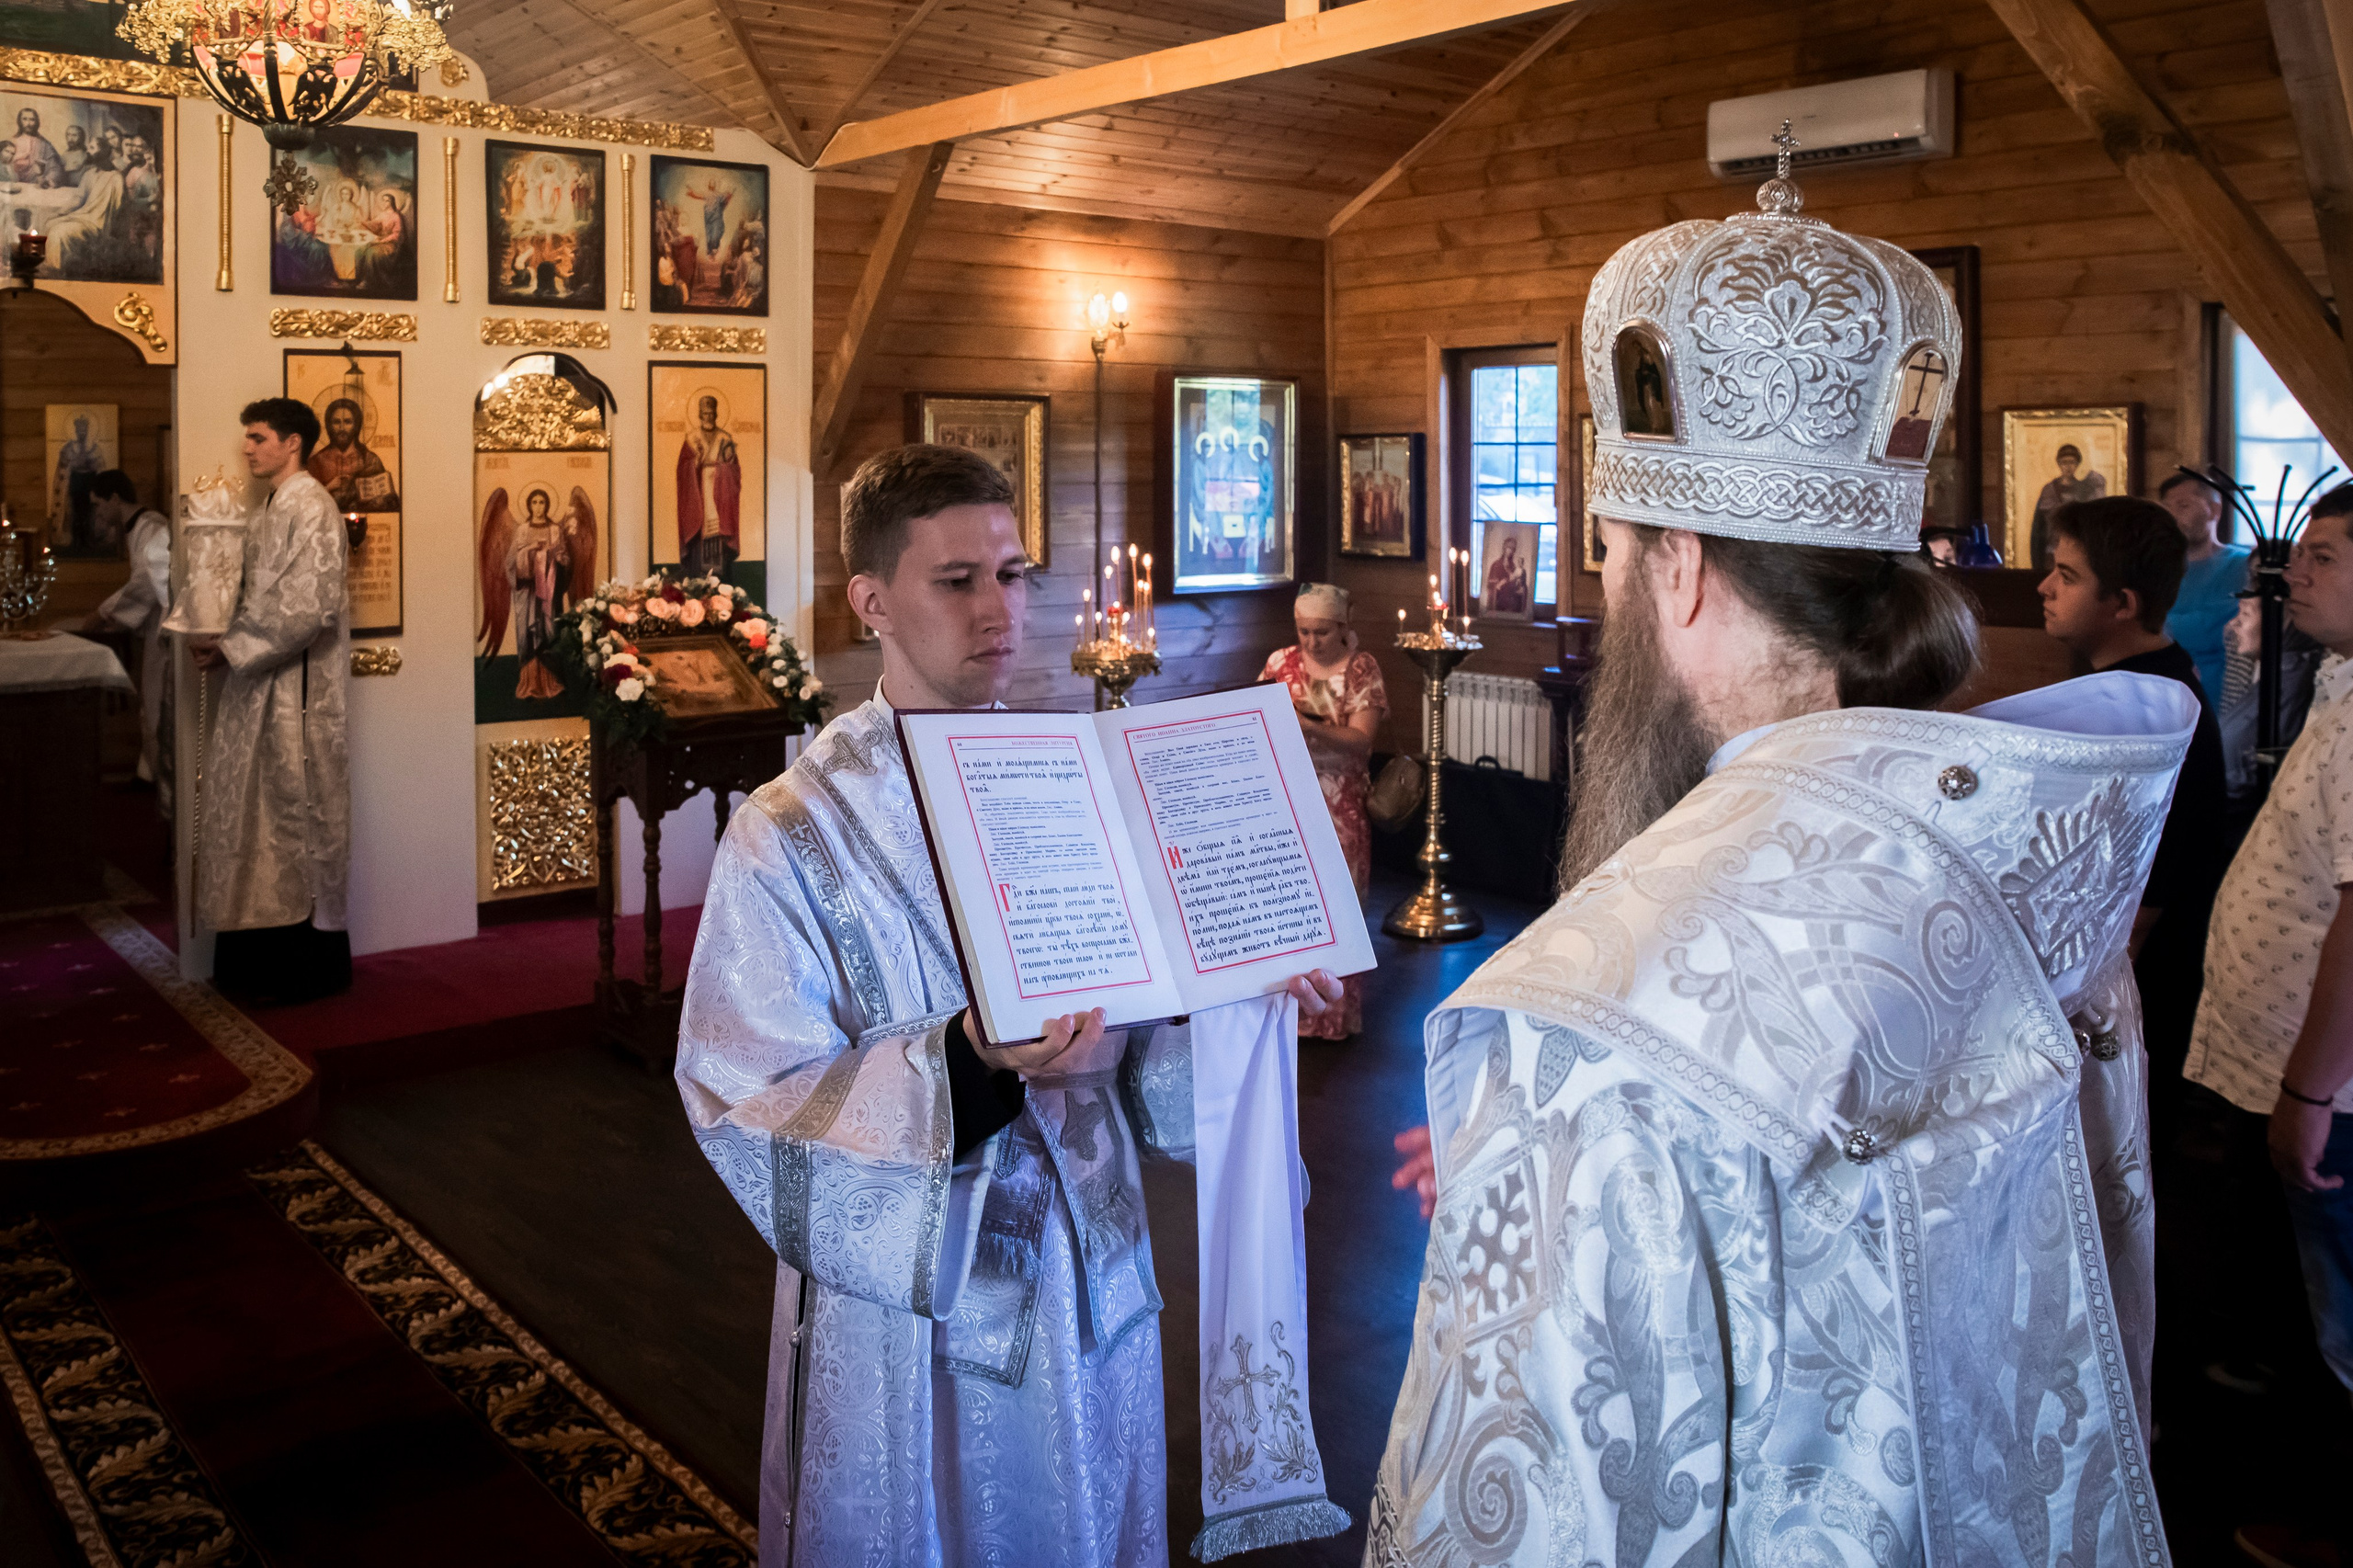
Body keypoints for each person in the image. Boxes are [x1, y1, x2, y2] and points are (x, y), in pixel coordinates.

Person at [1372, 162, 2190, 1564]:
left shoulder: (1603, 1018)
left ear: (1678, 568)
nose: (1614, 582)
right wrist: (1554, 1194)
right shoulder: (2021, 858)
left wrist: (1561, 1144)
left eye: (1615, 554)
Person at [675, 443, 1347, 1566]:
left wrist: (1231, 986)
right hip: (917, 1321)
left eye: (1015, 573)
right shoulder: (790, 829)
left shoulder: (1081, 776)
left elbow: (1141, 1042)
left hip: (1095, 1279)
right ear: (870, 600)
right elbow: (744, 1089)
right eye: (959, 580)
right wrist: (969, 1062)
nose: (1001, 609)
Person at [2186, 485, 2353, 1384]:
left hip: (2332, 1088)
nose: (2295, 571)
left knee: (2342, 1316)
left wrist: (2311, 1093)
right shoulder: (2338, 680)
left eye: (2323, 556)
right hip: (2299, 1069)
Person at [2038, 494, 2229, 1133]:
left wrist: (2093, 998)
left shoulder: (2146, 707)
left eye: (2067, 577)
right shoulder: (2142, 681)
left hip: (2137, 976)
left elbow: (2154, 870)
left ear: (2123, 604)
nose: (2045, 587)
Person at [188, 397, 350, 1006]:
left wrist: (232, 647)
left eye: (258, 438)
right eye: (247, 439)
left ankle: (299, 971)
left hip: (295, 696)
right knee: (255, 819)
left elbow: (306, 609)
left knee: (290, 816)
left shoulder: (312, 507)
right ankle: (251, 964)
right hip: (261, 686)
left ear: (293, 444)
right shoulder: (270, 509)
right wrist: (212, 628)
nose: (248, 448)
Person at [1260, 582, 1387, 1040]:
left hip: (1340, 800)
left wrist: (1308, 728)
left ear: (1342, 627)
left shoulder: (1360, 668)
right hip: (1288, 796)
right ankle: (1285, 1016)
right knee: (1286, 902)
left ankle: (1332, 1019)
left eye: (1321, 632)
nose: (1310, 642)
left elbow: (1362, 742)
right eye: (1303, 631)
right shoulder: (1280, 663)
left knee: (1337, 905)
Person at [69, 472, 172, 786]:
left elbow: (144, 582)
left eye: (99, 504)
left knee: (156, 700)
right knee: (150, 699)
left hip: (163, 625)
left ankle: (159, 781)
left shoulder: (151, 527)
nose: (98, 513)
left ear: (115, 498)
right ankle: (148, 773)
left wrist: (103, 612)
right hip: (153, 624)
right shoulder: (139, 528)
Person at [2161, 471, 2253, 705]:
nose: (2172, 516)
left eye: (2183, 506)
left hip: (2224, 702)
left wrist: (2165, 627)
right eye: (2166, 508)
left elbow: (2228, 630)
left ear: (2214, 510)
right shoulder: (2158, 570)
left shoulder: (2243, 564)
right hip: (2166, 699)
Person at [675, 392, 741, 580]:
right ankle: (698, 577)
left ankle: (719, 578)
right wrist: (696, 462)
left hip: (720, 494)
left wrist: (725, 467)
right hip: (698, 492)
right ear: (699, 415)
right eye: (705, 413)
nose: (708, 416)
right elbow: (682, 470)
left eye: (711, 413)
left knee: (718, 532)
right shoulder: (691, 438)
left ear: (716, 414)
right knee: (700, 532)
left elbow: (735, 472)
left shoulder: (725, 438)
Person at [307, 396, 398, 514]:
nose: (342, 428)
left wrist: (380, 501)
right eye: (336, 422)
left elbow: (390, 504)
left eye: (347, 422)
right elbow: (306, 503)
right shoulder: (317, 461)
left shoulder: (370, 460)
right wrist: (329, 487)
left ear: (356, 425)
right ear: (329, 425)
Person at [2030, 441, 2108, 569]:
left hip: (2077, 549)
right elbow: (2039, 525)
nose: (2068, 466)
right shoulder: (2049, 490)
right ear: (2059, 464)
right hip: (2053, 549)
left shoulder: (2084, 489)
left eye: (2072, 462)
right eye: (2064, 462)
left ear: (2077, 465)